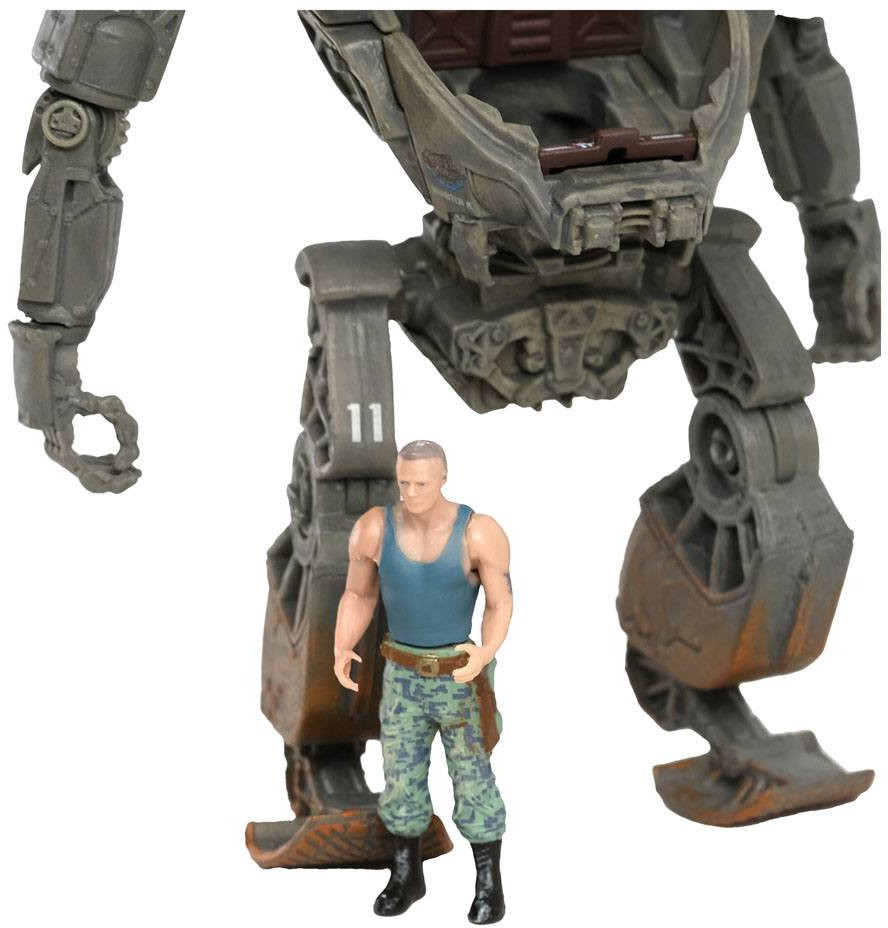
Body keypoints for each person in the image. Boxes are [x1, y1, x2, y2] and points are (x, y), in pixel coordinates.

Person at [333, 440, 512, 924]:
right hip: (401, 677)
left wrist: (486, 652)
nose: (411, 493)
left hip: (458, 676)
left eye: (421, 483)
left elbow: (500, 602)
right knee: (401, 780)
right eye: (404, 483)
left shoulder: (478, 532)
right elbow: (358, 594)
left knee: (473, 780)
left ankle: (489, 883)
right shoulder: (375, 528)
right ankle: (406, 873)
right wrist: (342, 645)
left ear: (443, 478)